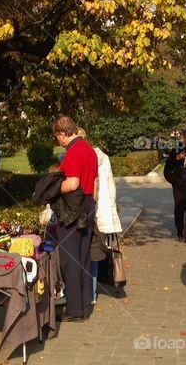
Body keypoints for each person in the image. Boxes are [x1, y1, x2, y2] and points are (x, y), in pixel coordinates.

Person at [53, 116, 98, 322]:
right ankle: (86, 304)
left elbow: (71, 184)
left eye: (58, 137)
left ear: (63, 133)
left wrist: (51, 188)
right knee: (83, 257)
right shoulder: (89, 150)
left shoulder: (73, 152)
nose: (58, 141)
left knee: (70, 259)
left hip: (73, 208)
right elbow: (95, 182)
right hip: (88, 204)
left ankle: (74, 309)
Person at [83, 127, 121, 304]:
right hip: (103, 212)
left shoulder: (82, 158)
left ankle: (86, 294)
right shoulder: (104, 158)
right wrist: (112, 212)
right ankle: (91, 294)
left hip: (87, 210)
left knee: (84, 252)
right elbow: (111, 187)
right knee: (95, 253)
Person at [164, 129, 186, 244]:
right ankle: (179, 232)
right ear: (183, 138)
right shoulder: (177, 149)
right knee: (179, 210)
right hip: (179, 186)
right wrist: (177, 158)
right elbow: (168, 165)